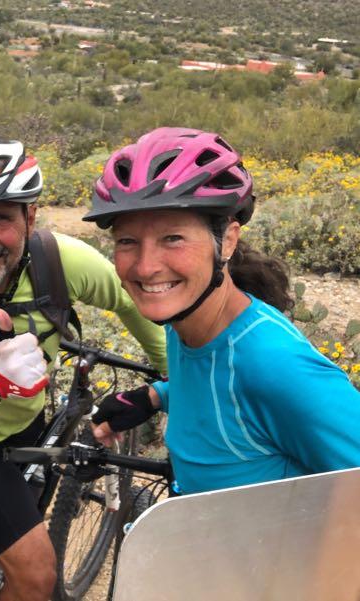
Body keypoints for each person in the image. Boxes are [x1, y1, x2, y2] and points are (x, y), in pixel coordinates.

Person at [0, 133, 167, 600]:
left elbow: (130, 300)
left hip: (30, 424)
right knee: (37, 574)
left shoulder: (58, 261)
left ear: (29, 217)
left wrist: (170, 371)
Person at [84, 126, 360, 495]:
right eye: (128, 241)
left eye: (173, 238)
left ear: (227, 240)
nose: (146, 266)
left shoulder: (277, 368)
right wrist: (156, 396)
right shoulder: (183, 321)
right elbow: (217, 380)